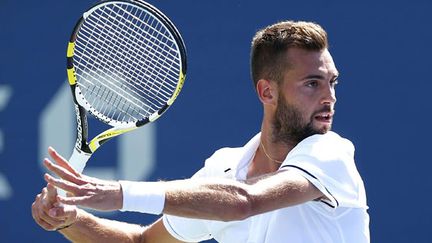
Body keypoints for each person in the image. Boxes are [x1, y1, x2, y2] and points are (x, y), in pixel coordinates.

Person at [32, 20, 370, 243]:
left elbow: (243, 202)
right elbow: (142, 242)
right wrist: (69, 219)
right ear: (267, 92)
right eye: (313, 83)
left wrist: (119, 193)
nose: (330, 97)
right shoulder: (223, 170)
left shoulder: (331, 155)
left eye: (332, 82)